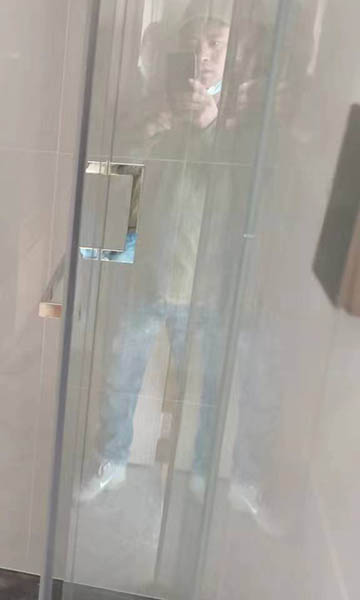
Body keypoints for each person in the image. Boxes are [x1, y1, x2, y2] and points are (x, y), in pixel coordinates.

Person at [79, 0, 234, 502]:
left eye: (215, 44)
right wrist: (151, 128)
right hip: (143, 267)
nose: (202, 54)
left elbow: (241, 193)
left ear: (234, 52)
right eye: (194, 43)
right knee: (120, 373)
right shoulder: (151, 101)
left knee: (205, 387)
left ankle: (203, 471)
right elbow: (114, 173)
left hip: (204, 279)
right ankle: (113, 459)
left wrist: (211, 125)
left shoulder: (242, 113)